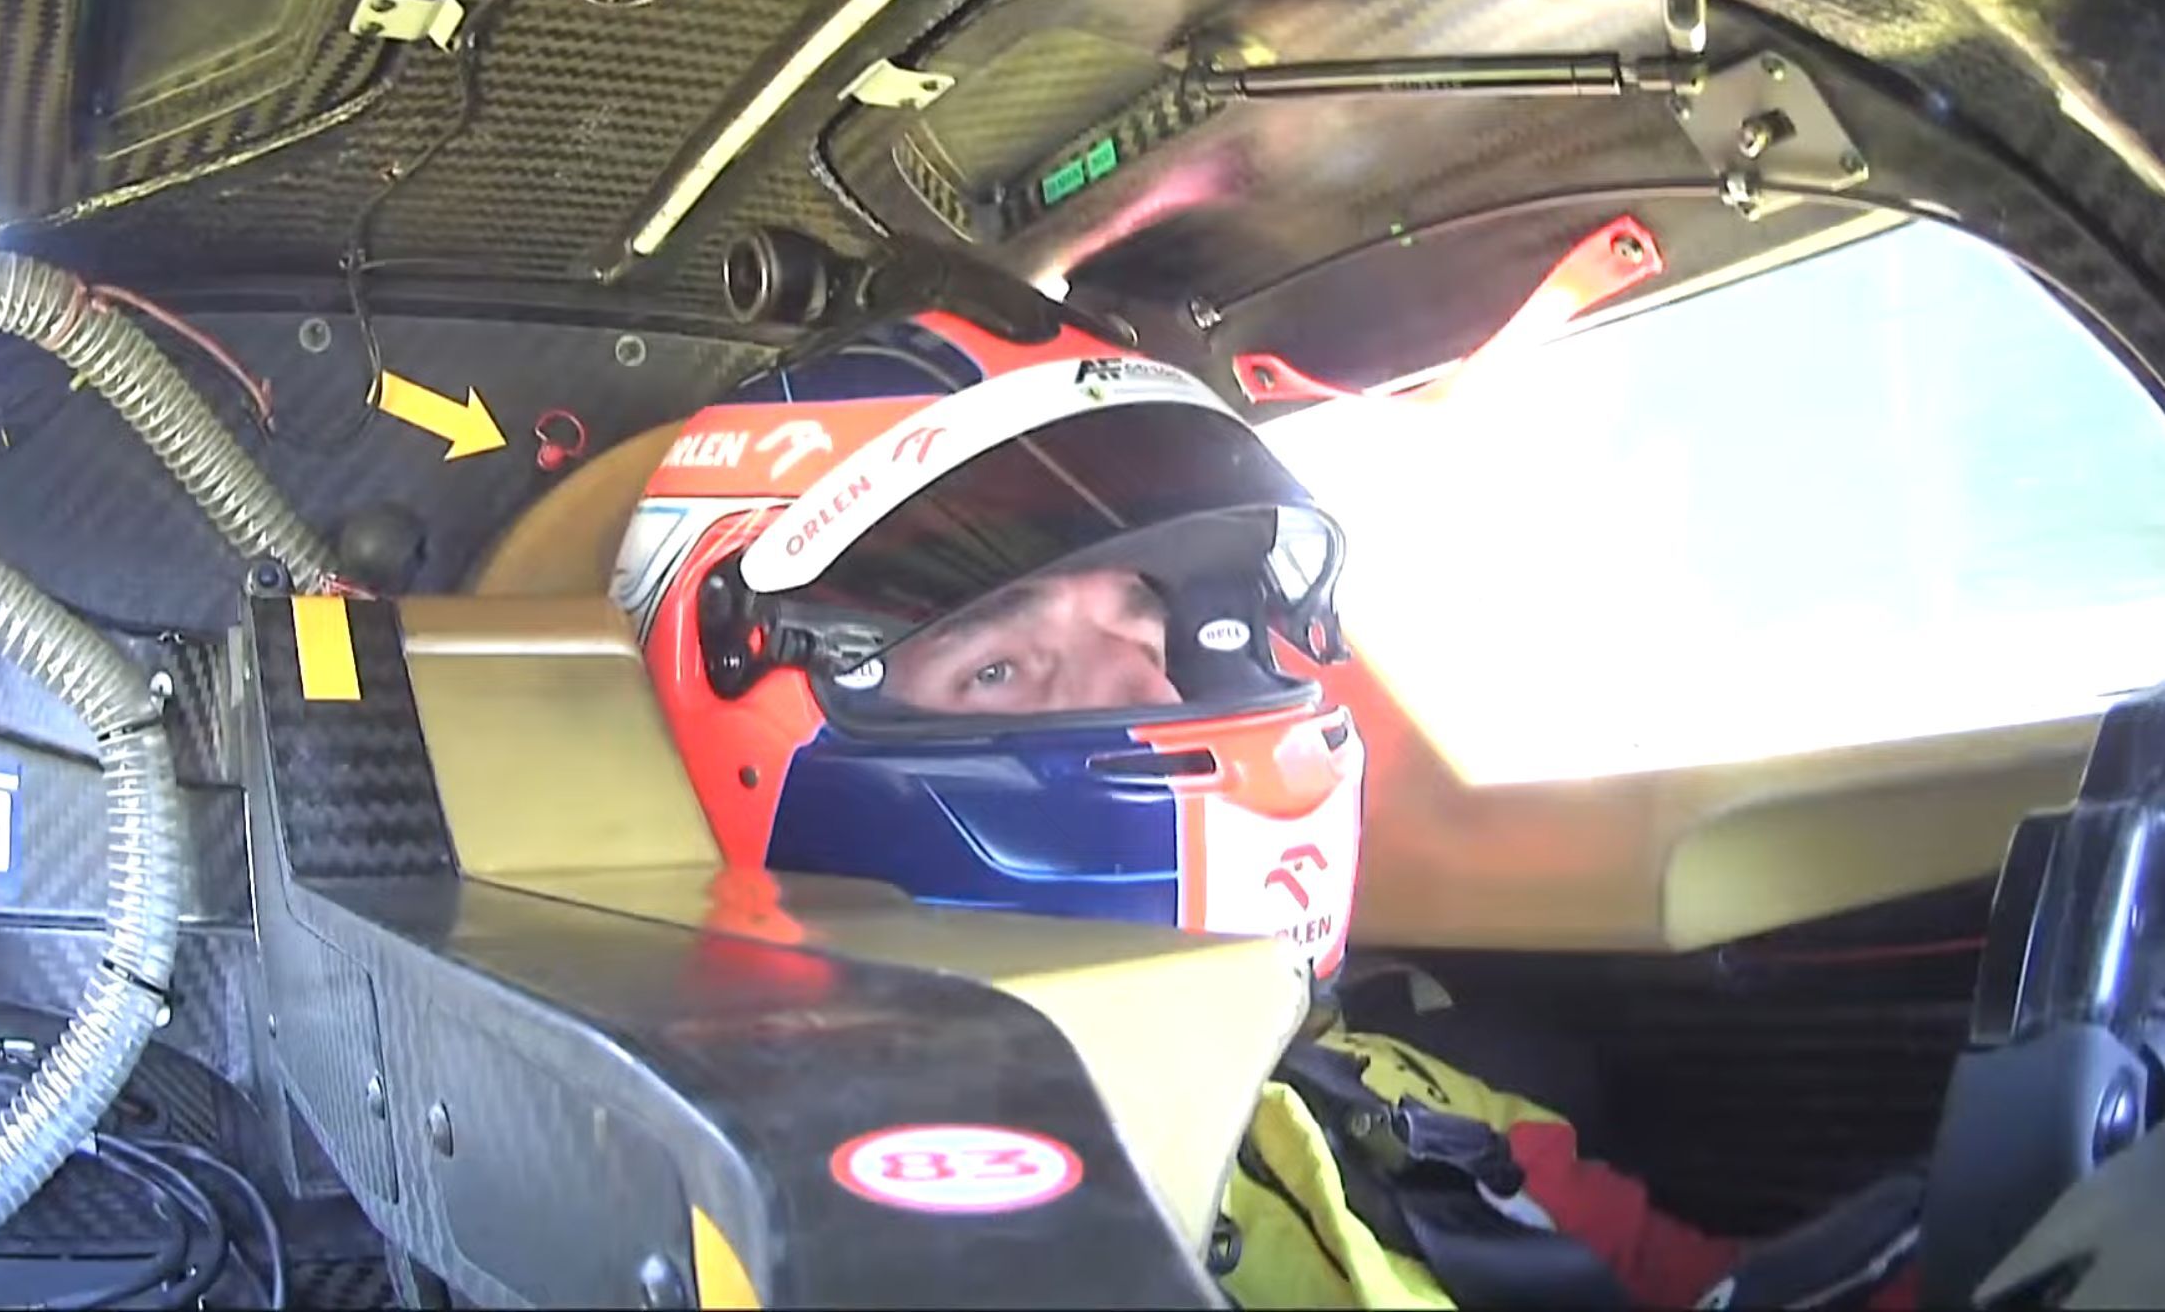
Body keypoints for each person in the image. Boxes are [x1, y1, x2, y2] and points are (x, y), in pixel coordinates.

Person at [614, 311, 1922, 1308]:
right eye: (1001, 666)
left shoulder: (1390, 1088)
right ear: (753, 734)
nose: (1152, 688)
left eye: (1149, 625)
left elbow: (1681, 1278)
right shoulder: (731, 1214)